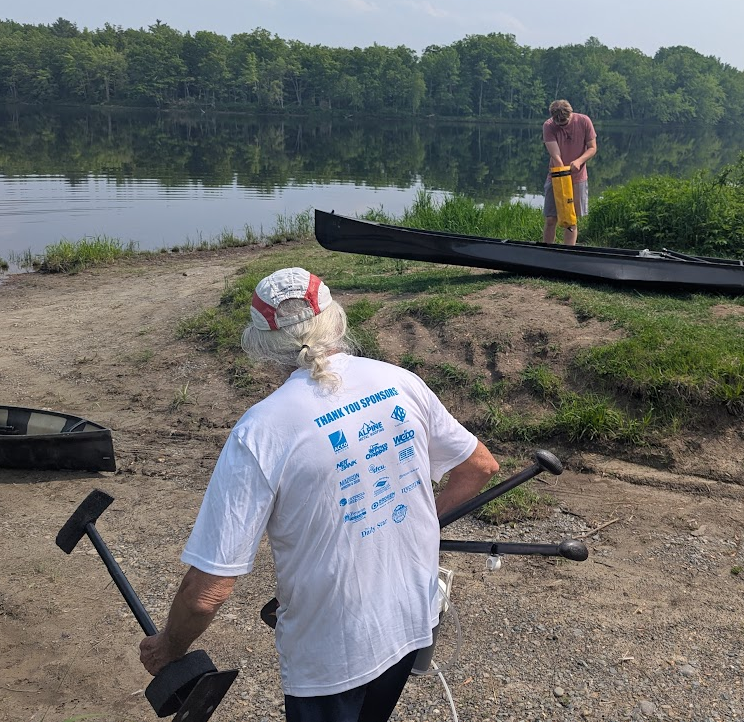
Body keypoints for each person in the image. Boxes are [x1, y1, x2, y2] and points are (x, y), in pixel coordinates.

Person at [139, 267, 499, 722]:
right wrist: (422, 526)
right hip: (414, 618)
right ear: (335, 320)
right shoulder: (398, 380)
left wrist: (168, 646)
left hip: (334, 655)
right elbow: (480, 467)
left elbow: (208, 590)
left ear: (261, 344)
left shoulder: (262, 431)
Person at [541, 99, 597, 246]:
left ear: (570, 113)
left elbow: (592, 147)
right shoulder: (548, 126)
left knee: (570, 219)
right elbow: (555, 155)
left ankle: (568, 252)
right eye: (559, 123)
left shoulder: (584, 121)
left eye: (564, 122)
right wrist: (562, 171)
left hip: (578, 177)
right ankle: (546, 251)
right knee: (551, 218)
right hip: (556, 177)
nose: (562, 125)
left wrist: (578, 161)